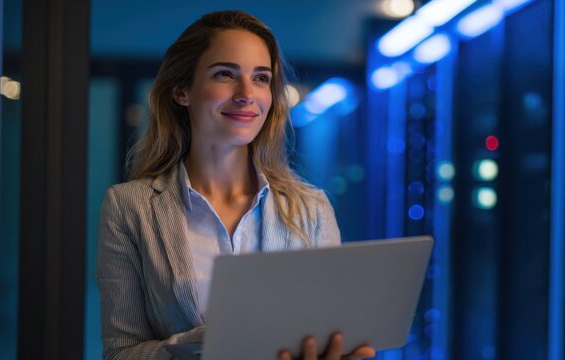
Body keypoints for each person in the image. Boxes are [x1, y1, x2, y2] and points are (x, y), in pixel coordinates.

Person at [97, 10, 376, 360]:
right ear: (182, 91)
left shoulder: (313, 209)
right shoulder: (129, 207)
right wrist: (210, 341)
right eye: (225, 74)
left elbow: (331, 331)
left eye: (261, 78)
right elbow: (120, 352)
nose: (246, 94)